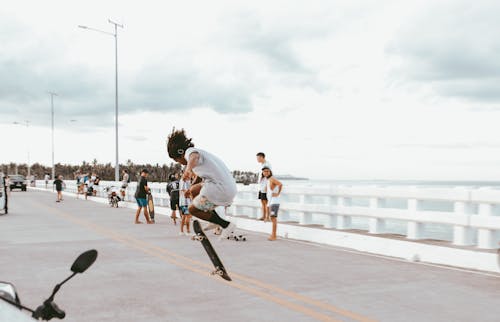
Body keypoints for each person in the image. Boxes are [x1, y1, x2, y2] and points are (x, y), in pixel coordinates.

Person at [166, 128, 237, 238]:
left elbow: (193, 157)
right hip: (228, 188)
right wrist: (190, 188)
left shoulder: (190, 153)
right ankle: (213, 219)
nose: (180, 163)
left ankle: (225, 225)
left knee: (192, 209)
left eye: (177, 160)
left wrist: (188, 169)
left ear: (180, 152)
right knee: (193, 190)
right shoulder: (203, 154)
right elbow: (199, 177)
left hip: (220, 189)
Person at [262, 166, 282, 241]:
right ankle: (273, 235)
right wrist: (266, 216)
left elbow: (280, 184)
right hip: (271, 201)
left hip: (275, 201)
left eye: (267, 171)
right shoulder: (267, 180)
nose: (266, 173)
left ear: (270, 172)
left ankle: (274, 235)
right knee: (272, 218)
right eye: (264, 171)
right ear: (263, 173)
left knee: (273, 218)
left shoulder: (272, 179)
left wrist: (278, 193)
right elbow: (268, 193)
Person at [256, 152, 272, 221]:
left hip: (265, 186)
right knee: (262, 202)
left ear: (262, 157)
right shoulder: (261, 165)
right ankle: (263, 216)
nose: (257, 159)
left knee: (266, 202)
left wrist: (267, 186)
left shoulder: (267, 164)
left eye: (258, 158)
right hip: (261, 186)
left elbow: (269, 175)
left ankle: (268, 217)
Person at [178, 171, 192, 235]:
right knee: (187, 216)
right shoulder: (183, 181)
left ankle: (181, 231)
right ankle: (188, 231)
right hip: (186, 202)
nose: (189, 175)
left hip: (183, 202)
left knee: (184, 217)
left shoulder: (185, 181)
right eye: (188, 174)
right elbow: (183, 191)